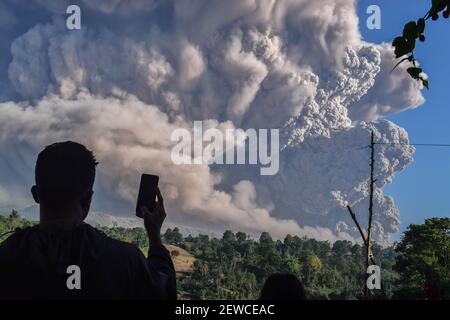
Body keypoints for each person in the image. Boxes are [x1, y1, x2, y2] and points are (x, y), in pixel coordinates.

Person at [0, 141, 176, 300]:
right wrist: (154, 236)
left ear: (36, 194)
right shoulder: (125, 261)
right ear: (88, 200)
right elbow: (164, 292)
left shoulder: (8, 254)